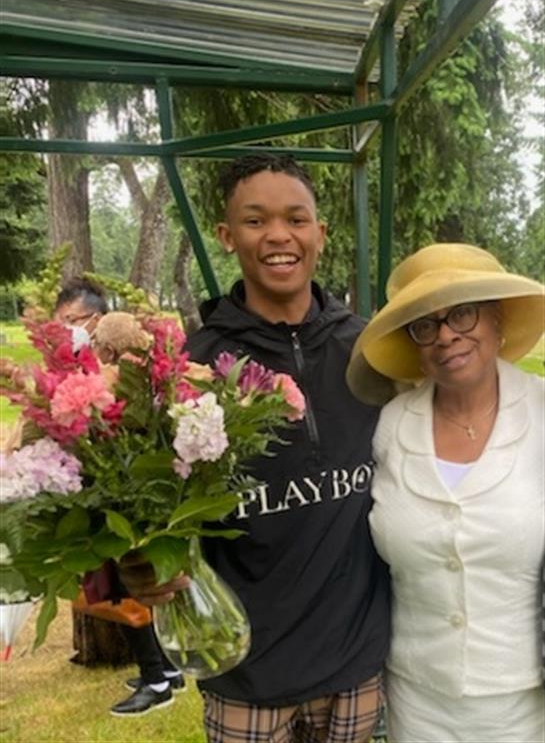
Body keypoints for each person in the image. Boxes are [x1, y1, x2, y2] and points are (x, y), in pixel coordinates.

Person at [121, 153, 392, 742]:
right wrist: (142, 563)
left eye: (296, 218)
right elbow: (148, 515)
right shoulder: (191, 369)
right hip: (247, 669)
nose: (278, 236)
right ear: (225, 236)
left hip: (356, 659)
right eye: (255, 220)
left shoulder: (371, 352)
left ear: (321, 231)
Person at [346, 243, 545, 743]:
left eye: (462, 313)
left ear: (497, 321)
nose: (447, 335)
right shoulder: (391, 427)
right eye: (425, 324)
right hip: (418, 699)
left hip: (526, 701)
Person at [53, 280, 185, 716]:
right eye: (62, 322)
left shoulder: (123, 365)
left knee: (135, 584)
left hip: (131, 493)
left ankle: (157, 678)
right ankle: (166, 666)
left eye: (73, 321)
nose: (67, 330)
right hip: (103, 487)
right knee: (121, 583)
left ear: (96, 318)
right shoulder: (81, 364)